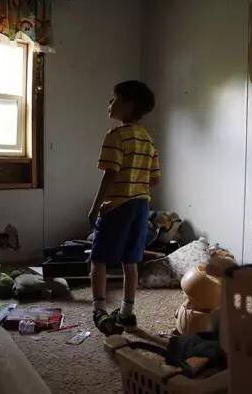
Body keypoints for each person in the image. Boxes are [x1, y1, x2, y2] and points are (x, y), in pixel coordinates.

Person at [87, 80, 161, 335]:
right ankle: (127, 312)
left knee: (98, 259)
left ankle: (99, 309)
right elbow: (155, 179)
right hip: (141, 206)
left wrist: (95, 206)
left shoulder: (115, 136)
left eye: (114, 98)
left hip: (117, 207)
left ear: (129, 104)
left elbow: (110, 174)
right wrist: (136, 189)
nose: (109, 102)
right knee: (131, 261)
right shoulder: (148, 139)